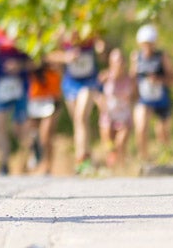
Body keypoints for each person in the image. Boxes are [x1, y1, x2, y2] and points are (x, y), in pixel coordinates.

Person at [0, 27, 33, 175]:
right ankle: (4, 164)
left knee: (20, 129)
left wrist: (20, 66)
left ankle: (26, 161)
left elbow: (35, 61)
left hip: (21, 87)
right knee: (0, 126)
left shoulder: (24, 30)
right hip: (0, 86)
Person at [57, 32, 104, 175]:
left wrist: (99, 45)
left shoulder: (89, 28)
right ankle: (87, 158)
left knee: (81, 117)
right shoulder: (61, 32)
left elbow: (101, 49)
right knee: (78, 123)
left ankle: (81, 159)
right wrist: (65, 57)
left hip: (88, 82)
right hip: (70, 83)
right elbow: (46, 54)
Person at [132, 24, 173, 165]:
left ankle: (167, 159)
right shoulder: (136, 57)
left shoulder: (162, 57)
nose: (147, 47)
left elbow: (172, 79)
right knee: (141, 127)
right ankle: (144, 159)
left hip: (161, 99)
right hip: (144, 99)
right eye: (144, 44)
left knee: (162, 133)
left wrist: (159, 80)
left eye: (149, 44)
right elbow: (132, 77)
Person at [99, 46, 136, 170]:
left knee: (121, 143)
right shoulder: (104, 77)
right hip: (108, 117)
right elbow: (98, 96)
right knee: (110, 147)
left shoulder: (130, 79)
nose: (118, 63)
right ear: (110, 63)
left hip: (124, 117)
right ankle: (112, 167)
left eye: (120, 60)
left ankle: (122, 168)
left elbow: (136, 97)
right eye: (115, 60)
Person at [26, 57, 63, 175]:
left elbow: (61, 64)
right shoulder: (29, 50)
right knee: (32, 135)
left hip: (50, 99)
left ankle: (47, 166)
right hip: (34, 99)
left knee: (46, 136)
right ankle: (35, 156)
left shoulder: (53, 49)